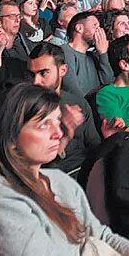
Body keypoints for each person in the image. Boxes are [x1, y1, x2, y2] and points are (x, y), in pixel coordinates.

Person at [0, 83, 129, 256]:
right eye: (43, 125)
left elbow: (100, 235)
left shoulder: (58, 181)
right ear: (11, 137)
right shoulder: (2, 203)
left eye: (57, 121)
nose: (58, 132)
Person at [27, 42, 103, 179]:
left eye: (43, 73)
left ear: (63, 70)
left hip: (85, 171)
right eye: (32, 75)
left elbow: (94, 144)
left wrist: (110, 137)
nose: (35, 82)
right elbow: (33, 162)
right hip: (51, 177)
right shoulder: (25, 107)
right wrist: (65, 135)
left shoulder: (77, 102)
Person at [62, 12, 114, 96]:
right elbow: (71, 88)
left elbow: (108, 83)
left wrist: (103, 53)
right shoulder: (65, 51)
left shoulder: (93, 56)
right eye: (95, 26)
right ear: (79, 28)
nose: (99, 31)